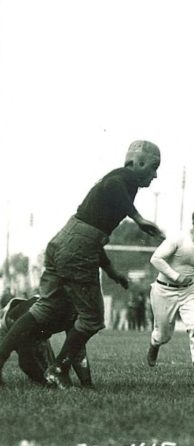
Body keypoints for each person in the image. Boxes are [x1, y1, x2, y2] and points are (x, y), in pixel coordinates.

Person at [0, 140, 164, 388]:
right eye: (153, 167)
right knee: (92, 318)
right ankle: (57, 369)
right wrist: (138, 218)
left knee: (44, 308)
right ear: (139, 163)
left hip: (65, 238)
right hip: (78, 245)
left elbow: (92, 233)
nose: (155, 175)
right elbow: (113, 189)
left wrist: (112, 272)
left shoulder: (116, 179)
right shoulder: (125, 178)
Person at [0, 257, 129, 387]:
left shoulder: (72, 308)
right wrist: (43, 380)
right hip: (8, 324)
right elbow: (25, 360)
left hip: (36, 332)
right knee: (43, 378)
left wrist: (87, 384)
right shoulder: (52, 306)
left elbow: (77, 349)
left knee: (50, 372)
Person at [147, 206, 194, 381]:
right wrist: (176, 277)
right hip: (163, 290)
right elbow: (156, 258)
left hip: (189, 292)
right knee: (164, 335)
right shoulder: (178, 239)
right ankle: (154, 344)